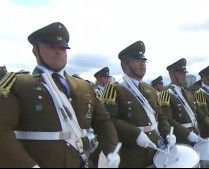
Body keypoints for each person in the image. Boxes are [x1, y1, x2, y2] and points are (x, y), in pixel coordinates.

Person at [0, 22, 120, 168]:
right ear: (35, 50)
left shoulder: (84, 86)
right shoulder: (18, 84)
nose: (59, 52)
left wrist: (112, 150)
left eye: (63, 48)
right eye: (51, 46)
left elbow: (103, 121)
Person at [101, 40, 175, 168]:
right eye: (137, 60)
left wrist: (168, 133)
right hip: (131, 154)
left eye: (144, 60)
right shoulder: (114, 89)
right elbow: (109, 120)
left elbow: (161, 116)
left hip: (154, 151)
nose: (143, 64)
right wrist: (135, 134)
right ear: (125, 64)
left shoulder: (151, 91)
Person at [159, 58, 207, 145]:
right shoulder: (166, 94)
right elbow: (168, 120)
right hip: (181, 140)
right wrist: (187, 134)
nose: (184, 75)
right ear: (172, 74)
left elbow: (200, 114)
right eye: (181, 73)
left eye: (184, 73)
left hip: (196, 135)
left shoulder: (189, 94)